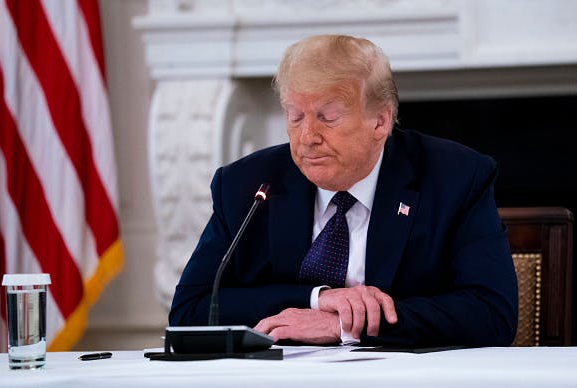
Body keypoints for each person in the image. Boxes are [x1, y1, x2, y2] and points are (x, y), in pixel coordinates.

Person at [169, 34, 518, 347]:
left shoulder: (454, 177)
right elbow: (191, 310)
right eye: (295, 117)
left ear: (380, 121)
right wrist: (316, 299)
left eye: (328, 117)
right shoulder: (246, 185)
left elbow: (491, 314)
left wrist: (346, 325)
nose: (307, 137)